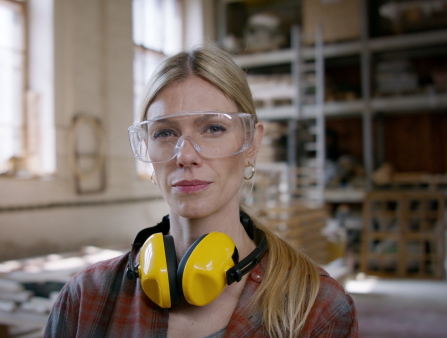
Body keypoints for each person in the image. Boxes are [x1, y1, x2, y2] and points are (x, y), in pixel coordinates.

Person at [45, 46, 358, 337]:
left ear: (252, 144)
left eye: (213, 128)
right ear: (148, 148)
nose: (185, 156)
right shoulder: (86, 298)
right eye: (165, 133)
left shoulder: (316, 308)